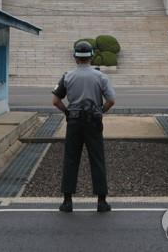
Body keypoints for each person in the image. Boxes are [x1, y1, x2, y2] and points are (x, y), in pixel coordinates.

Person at [52, 41, 116, 212]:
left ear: (75, 57)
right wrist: (100, 111)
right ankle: (101, 201)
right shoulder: (100, 76)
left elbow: (55, 101)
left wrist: (67, 112)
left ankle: (67, 201)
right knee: (97, 159)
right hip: (93, 121)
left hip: (74, 121)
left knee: (71, 158)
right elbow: (111, 100)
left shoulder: (67, 76)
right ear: (91, 57)